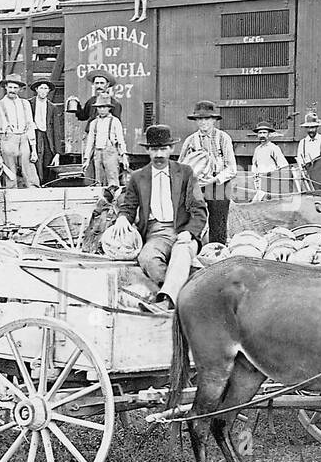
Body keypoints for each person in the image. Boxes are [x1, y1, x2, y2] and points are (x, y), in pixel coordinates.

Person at [114, 125, 206, 311]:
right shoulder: (138, 177)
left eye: (163, 149)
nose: (159, 154)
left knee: (181, 251)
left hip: (183, 230)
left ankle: (167, 302)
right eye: (154, 149)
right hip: (156, 233)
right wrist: (123, 218)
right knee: (147, 257)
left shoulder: (186, 173)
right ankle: (188, 293)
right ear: (147, 150)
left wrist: (189, 233)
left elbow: (199, 210)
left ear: (171, 149)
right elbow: (129, 207)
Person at [177, 100, 236, 244]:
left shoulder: (223, 138)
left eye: (207, 119)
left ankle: (217, 252)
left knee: (218, 224)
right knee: (194, 220)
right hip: (197, 186)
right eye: (200, 119)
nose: (203, 122)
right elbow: (181, 166)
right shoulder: (190, 141)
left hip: (218, 185)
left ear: (214, 120)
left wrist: (214, 180)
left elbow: (232, 168)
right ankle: (195, 251)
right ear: (196, 120)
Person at [0, 73, 38, 188]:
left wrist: (34, 149)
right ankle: (12, 199)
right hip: (7, 140)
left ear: (20, 89)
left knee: (29, 172)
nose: (12, 90)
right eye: (10, 87)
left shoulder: (25, 104)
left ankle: (35, 196)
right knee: (10, 173)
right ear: (5, 87)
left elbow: (30, 126)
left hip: (24, 139)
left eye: (15, 88)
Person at [82, 94, 127, 189]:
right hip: (97, 154)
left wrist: (124, 155)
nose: (102, 110)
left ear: (109, 108)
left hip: (110, 153)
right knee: (99, 180)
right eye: (99, 107)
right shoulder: (94, 123)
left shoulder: (115, 121)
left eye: (104, 107)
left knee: (112, 179)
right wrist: (86, 159)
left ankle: (114, 200)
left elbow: (120, 140)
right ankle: (101, 200)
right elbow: (90, 142)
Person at [28, 77, 61, 185]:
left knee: (47, 161)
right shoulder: (29, 104)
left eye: (46, 88)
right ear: (37, 89)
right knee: (35, 161)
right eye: (41, 88)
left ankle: (46, 185)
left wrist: (57, 152)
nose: (43, 91)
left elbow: (56, 130)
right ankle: (36, 184)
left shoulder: (52, 107)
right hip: (35, 135)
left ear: (48, 91)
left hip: (47, 137)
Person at [249, 120, 288, 200]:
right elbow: (254, 165)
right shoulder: (257, 149)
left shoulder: (274, 148)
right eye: (260, 133)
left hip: (271, 182)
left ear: (269, 134)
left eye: (264, 133)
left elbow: (284, 166)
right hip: (259, 183)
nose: (262, 135)